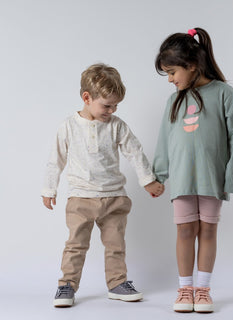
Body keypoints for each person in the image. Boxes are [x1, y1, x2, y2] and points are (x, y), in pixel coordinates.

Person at [41, 63, 164, 307]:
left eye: (116, 105)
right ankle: (66, 285)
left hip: (114, 197)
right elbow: (55, 160)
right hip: (80, 199)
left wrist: (147, 180)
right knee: (75, 245)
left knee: (115, 245)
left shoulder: (117, 126)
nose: (112, 110)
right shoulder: (68, 126)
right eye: (106, 105)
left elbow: (135, 152)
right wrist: (48, 189)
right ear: (87, 98)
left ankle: (118, 283)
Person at [152, 28, 233, 313]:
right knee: (184, 231)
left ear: (191, 65)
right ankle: (185, 288)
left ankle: (203, 291)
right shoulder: (173, 100)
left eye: (172, 72)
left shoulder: (224, 93)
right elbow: (164, 141)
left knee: (207, 231)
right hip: (182, 179)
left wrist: (232, 177)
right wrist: (158, 175)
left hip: (211, 178)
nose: (170, 80)